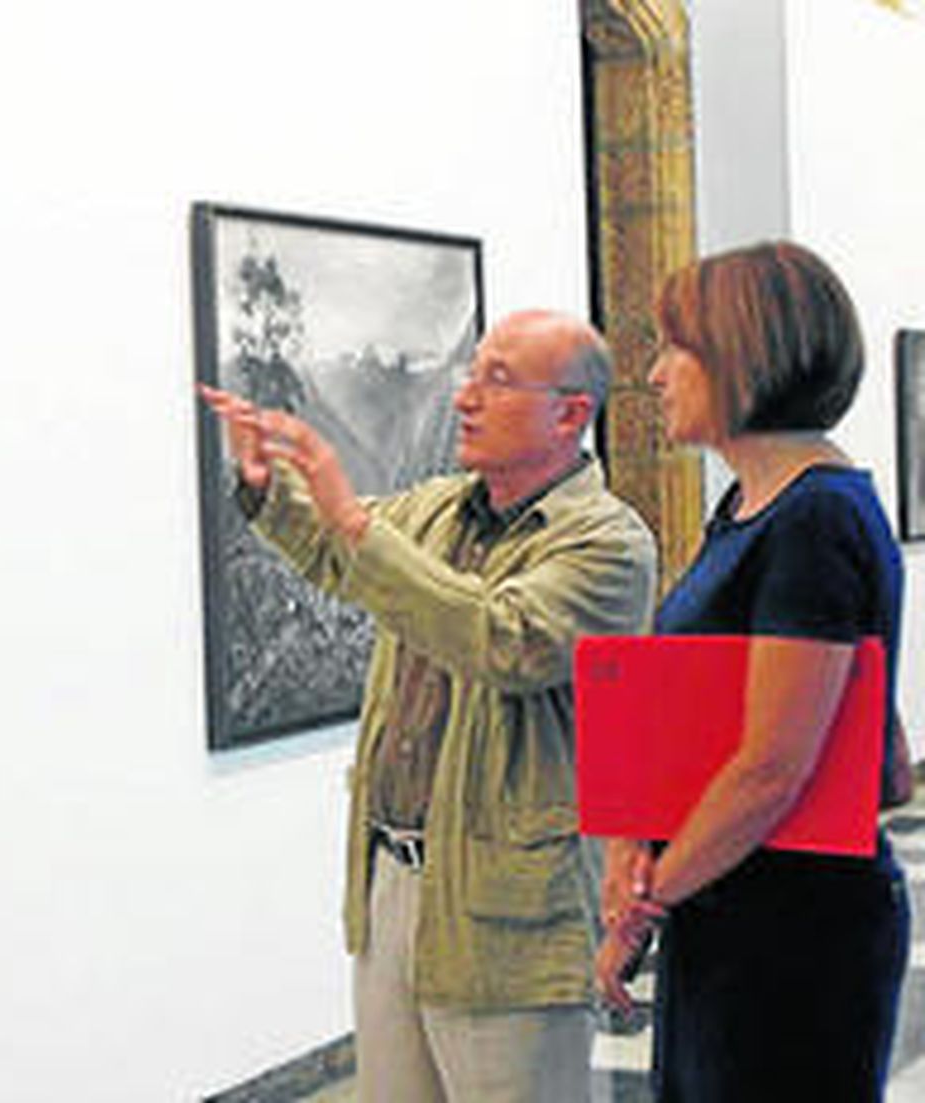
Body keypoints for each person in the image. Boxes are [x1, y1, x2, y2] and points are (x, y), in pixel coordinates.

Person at [201, 309, 656, 1103]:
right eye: (471, 372)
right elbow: (345, 556)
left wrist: (349, 517)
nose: (464, 397)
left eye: (498, 379)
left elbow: (502, 638)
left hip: (510, 904)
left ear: (571, 414)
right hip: (393, 878)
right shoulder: (441, 508)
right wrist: (267, 490)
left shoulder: (608, 542)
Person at [594, 242, 910, 1101]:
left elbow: (773, 762)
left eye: (673, 349)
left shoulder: (815, 516)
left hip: (797, 926)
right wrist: (635, 845)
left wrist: (640, 903)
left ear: (745, 354)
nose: (654, 375)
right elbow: (692, 706)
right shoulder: (746, 504)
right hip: (731, 900)